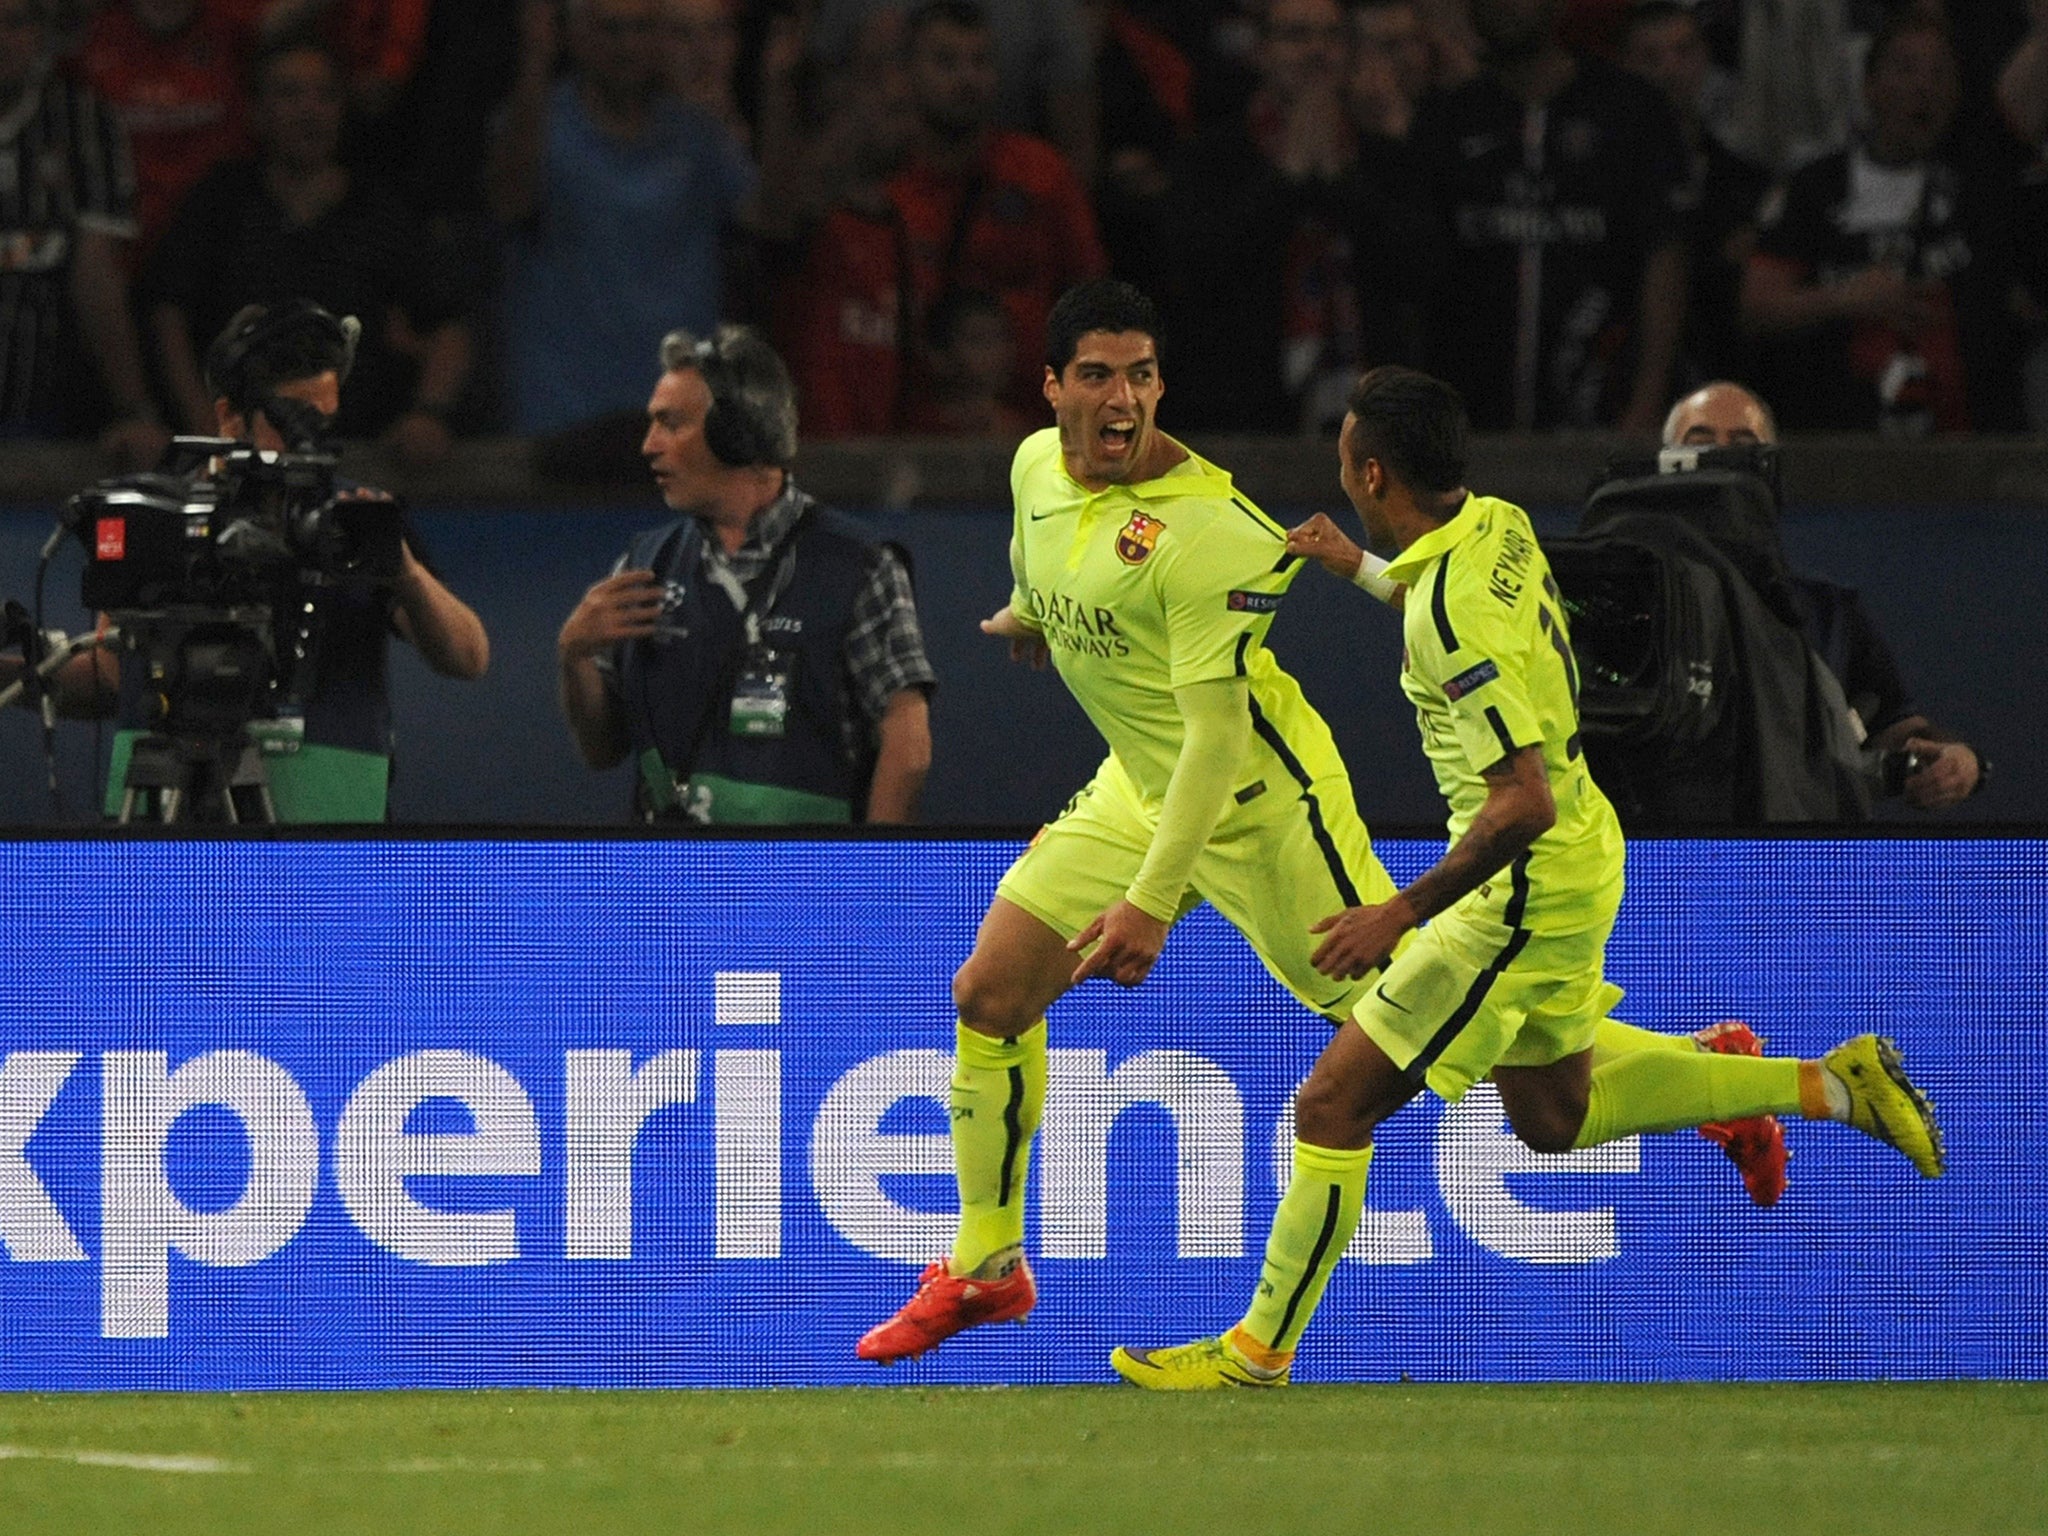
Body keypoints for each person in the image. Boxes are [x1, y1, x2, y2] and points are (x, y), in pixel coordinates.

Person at [1105, 366, 1944, 1389]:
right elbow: (1448, 607)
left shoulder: (1448, 617)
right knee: (1551, 1118)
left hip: (1518, 890)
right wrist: (1356, 566)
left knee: (1329, 1106)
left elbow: (1518, 799)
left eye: (1344, 459)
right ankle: (1829, 1085)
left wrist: (1396, 913)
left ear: (1372, 472)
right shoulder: (1494, 524)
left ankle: (1254, 1355)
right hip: (1585, 857)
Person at [854, 278, 1414, 1366]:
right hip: (1137, 784)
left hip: (1257, 805)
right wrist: (1035, 616)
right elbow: (1043, 556)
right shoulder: (1030, 464)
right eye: (1099, 375)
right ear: (1053, 385)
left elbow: (1212, 740)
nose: (1123, 398)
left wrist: (1148, 904)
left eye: (1142, 375)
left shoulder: (1217, 531)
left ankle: (1723, 1082)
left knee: (1439, 1035)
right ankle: (985, 1266)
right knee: (989, 991)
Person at [58, 299, 488, 821]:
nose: (312, 443)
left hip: (325, 827)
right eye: (295, 420)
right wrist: (19, 674)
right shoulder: (160, 522)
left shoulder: (355, 519)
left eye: (325, 423)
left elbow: (468, 657)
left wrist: (403, 571)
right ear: (229, 418)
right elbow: (110, 673)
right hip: (166, 803)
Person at [557, 324, 935, 826]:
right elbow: (603, 751)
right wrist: (574, 655)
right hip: (672, 885)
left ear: (740, 430)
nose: (649, 445)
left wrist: (870, 875)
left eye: (671, 424)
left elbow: (907, 746)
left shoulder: (859, 568)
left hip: (806, 884)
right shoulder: (645, 565)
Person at [142, 33, 472, 467]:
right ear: (256, 111)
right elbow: (168, 311)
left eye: (326, 96)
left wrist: (429, 414)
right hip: (239, 459)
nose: (310, 111)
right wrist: (203, 424)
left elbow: (448, 320)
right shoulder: (222, 201)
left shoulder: (381, 207)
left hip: (355, 455)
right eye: (290, 94)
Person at [1663, 380, 1986, 808]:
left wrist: (1958, 761)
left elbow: (1899, 730)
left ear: (1772, 470)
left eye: (1743, 444)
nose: (1722, 459)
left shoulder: (1830, 614)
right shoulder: (1629, 599)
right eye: (1700, 442)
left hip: (1801, 857)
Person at [1408, 0, 1690, 434]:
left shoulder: (1629, 111)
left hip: (1603, 410)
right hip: (1469, 424)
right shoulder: (1446, 119)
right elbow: (1415, 274)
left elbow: (1664, 257)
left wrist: (1648, 402)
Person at [489, 0, 762, 437]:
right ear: (577, 37)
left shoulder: (699, 134)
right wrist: (535, 62)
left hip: (679, 421)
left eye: (640, 29)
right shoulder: (536, 125)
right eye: (611, 30)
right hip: (563, 420)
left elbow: (769, 219)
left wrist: (779, 89)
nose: (627, 46)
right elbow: (509, 203)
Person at [1740, 15, 2017, 434]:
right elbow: (1756, 307)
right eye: (1905, 69)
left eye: (1940, 73)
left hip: (1962, 448)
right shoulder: (1815, 187)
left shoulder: (1979, 189)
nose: (1923, 86)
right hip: (1836, 447)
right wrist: (1846, 299)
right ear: (1869, 86)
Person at [885, 0, 1108, 418]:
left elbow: (1092, 302)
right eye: (945, 61)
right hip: (912, 429)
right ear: (908, 71)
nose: (966, 77)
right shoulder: (885, 187)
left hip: (1034, 427)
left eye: (980, 61)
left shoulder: (1042, 177)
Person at [0, 0, 167, 467]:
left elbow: (97, 279)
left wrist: (134, 409)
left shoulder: (81, 121)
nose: (1, 40)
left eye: (15, 23)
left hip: (49, 421)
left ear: (43, 33)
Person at [1619, 1, 1770, 390]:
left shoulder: (1743, 179)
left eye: (1683, 52)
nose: (1670, 70)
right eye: (1651, 57)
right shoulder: (1604, 178)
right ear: (1624, 67)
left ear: (1705, 59)